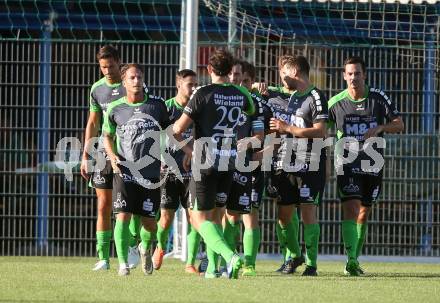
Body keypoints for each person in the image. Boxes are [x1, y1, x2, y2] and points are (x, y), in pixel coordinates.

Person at [172, 49, 255, 279]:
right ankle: (211, 269)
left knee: (199, 219)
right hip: (229, 161)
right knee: (217, 216)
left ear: (209, 70)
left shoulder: (202, 94)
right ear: (230, 71)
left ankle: (230, 257)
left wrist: (189, 150)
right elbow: (251, 109)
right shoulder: (241, 93)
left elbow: (177, 130)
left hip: (206, 162)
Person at [328, 56, 404, 276]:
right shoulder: (335, 103)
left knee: (363, 213)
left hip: (373, 162)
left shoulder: (378, 99)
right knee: (351, 209)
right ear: (344, 76)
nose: (353, 78)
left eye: (357, 73)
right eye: (349, 74)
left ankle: (355, 259)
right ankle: (350, 261)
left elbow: (400, 125)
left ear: (365, 75)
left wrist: (380, 127)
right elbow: (320, 125)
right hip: (347, 163)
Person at [102, 63, 174, 276]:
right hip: (124, 170)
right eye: (132, 78)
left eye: (139, 77)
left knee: (150, 224)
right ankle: (123, 263)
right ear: (124, 82)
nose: (136, 81)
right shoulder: (115, 108)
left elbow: (169, 132)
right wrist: (112, 155)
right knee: (122, 215)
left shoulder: (157, 105)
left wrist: (165, 156)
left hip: (151, 173)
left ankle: (144, 248)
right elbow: (107, 135)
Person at [269, 55, 328, 276]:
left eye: (284, 72)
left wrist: (288, 128)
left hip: (310, 163)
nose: (282, 77)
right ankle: (295, 255)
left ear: (295, 72)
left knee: (308, 213)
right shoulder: (292, 97)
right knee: (283, 214)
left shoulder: (316, 96)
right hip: (287, 162)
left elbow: (321, 131)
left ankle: (312, 264)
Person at [80, 45, 132, 271]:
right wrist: (85, 155)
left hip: (128, 154)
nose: (108, 71)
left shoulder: (130, 84)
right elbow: (93, 123)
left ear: (119, 62)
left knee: (127, 206)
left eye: (111, 66)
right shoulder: (96, 89)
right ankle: (103, 258)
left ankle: (130, 248)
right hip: (102, 153)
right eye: (103, 67)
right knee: (103, 204)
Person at [152, 69, 202, 274]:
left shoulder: (198, 108)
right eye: (190, 84)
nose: (193, 88)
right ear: (178, 85)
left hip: (192, 172)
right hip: (168, 171)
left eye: (195, 84)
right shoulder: (167, 107)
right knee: (166, 218)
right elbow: (170, 134)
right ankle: (161, 247)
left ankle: (190, 263)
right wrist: (189, 150)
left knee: (195, 217)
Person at [259, 55, 303, 274]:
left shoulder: (307, 96)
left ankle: (303, 260)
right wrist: (256, 87)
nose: (287, 75)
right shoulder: (271, 94)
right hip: (276, 160)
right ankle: (292, 256)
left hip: (304, 159)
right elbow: (254, 91)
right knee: (284, 212)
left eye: (290, 71)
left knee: (299, 211)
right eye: (283, 71)